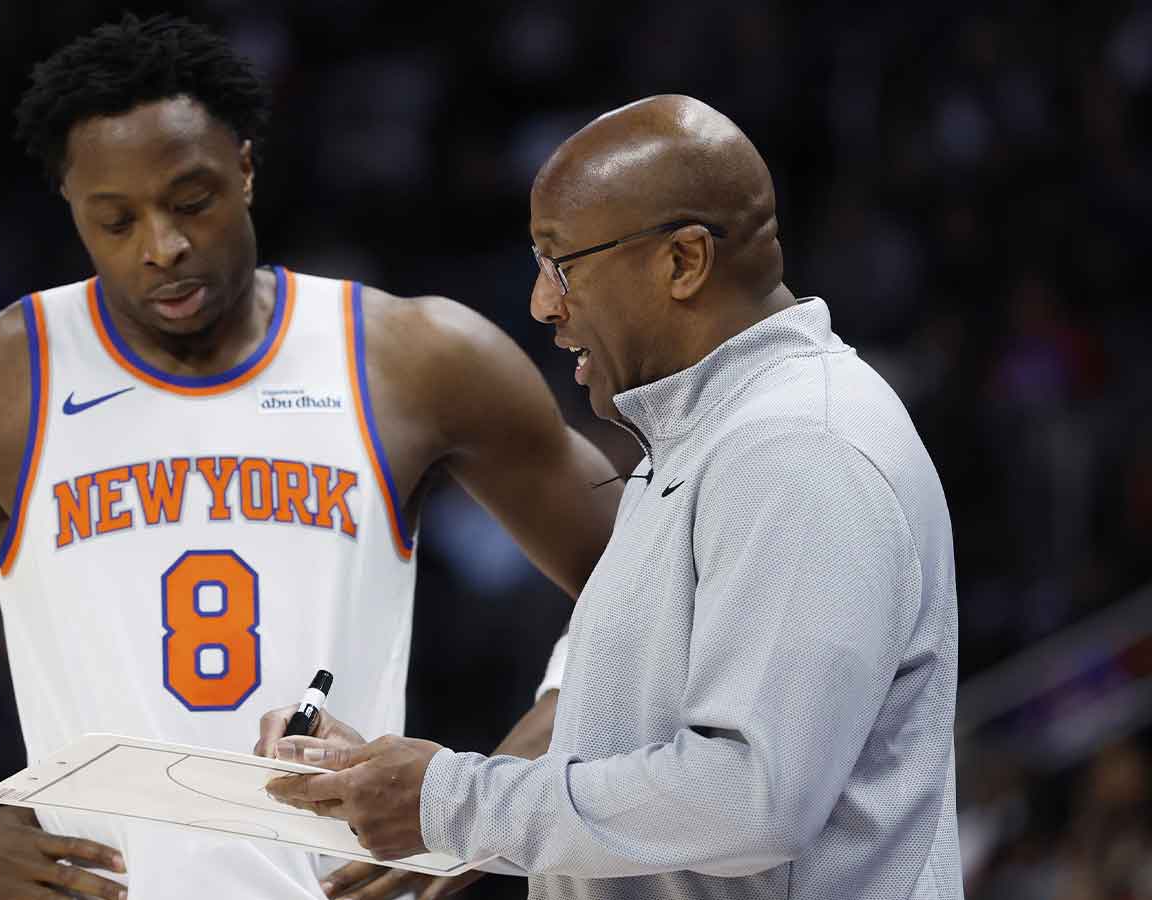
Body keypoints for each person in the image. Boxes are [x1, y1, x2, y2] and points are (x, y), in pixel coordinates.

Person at [0, 14, 626, 900]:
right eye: (116, 220)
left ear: (247, 170)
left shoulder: (412, 357)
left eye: (192, 202)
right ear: (71, 209)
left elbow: (648, 581)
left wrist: (484, 802)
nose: (165, 246)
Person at [264, 94, 964, 900]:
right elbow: (615, 733)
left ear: (682, 262)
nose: (542, 304)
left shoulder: (801, 447)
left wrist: (453, 803)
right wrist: (404, 788)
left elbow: (750, 797)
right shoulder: (703, 435)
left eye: (561, 265)